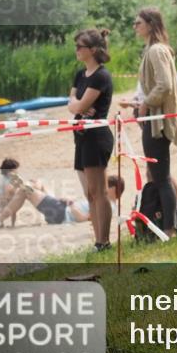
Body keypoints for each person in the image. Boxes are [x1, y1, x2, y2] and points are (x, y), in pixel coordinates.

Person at [122, 8, 177, 237]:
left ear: (150, 24)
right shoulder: (154, 49)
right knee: (158, 175)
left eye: (138, 23)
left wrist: (145, 103)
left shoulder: (157, 50)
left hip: (157, 121)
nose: (135, 26)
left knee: (161, 177)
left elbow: (165, 85)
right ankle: (166, 225)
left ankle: (170, 228)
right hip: (153, 118)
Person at [67, 28, 116, 251]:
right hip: (81, 136)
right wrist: (76, 104)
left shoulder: (101, 76)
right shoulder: (80, 74)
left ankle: (104, 241)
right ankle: (98, 241)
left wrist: (77, 105)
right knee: (89, 193)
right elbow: (72, 103)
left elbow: (79, 105)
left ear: (93, 50)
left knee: (99, 191)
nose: (76, 50)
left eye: (80, 46)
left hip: (96, 137)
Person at [0, 168, 124, 228]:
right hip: (61, 209)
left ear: (113, 189)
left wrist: (71, 204)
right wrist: (70, 202)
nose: (102, 186)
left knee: (25, 190)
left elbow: (84, 218)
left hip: (61, 213)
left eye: (105, 185)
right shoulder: (107, 203)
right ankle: (17, 188)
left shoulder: (108, 206)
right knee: (38, 183)